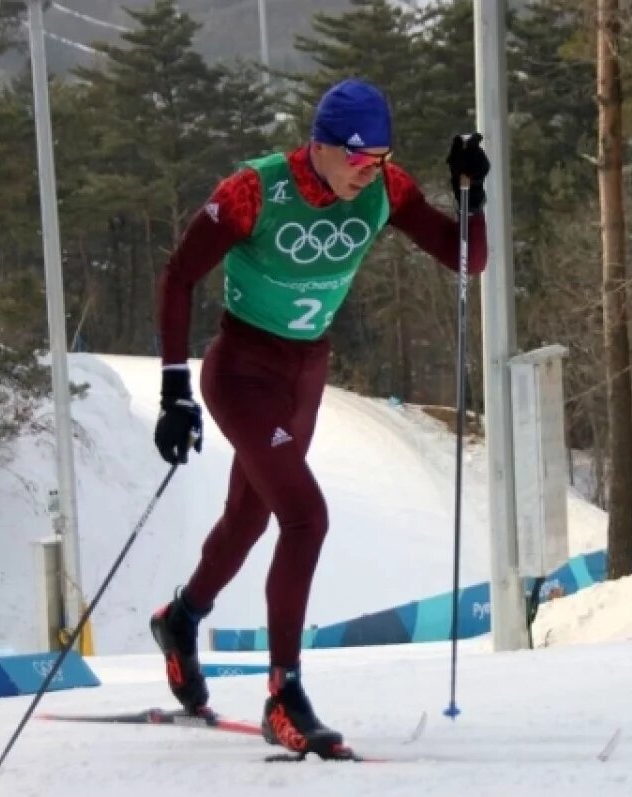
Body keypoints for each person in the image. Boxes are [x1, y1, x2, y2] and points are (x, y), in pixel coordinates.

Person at [149, 78, 490, 757]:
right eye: (361, 157)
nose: (373, 170)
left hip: (305, 374)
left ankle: (182, 616)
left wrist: (470, 194)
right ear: (322, 147)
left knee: (250, 517)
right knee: (307, 516)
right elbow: (179, 275)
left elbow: (467, 258)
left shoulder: (385, 190)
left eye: (383, 156)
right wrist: (173, 389)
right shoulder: (253, 191)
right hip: (242, 372)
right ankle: (285, 692)